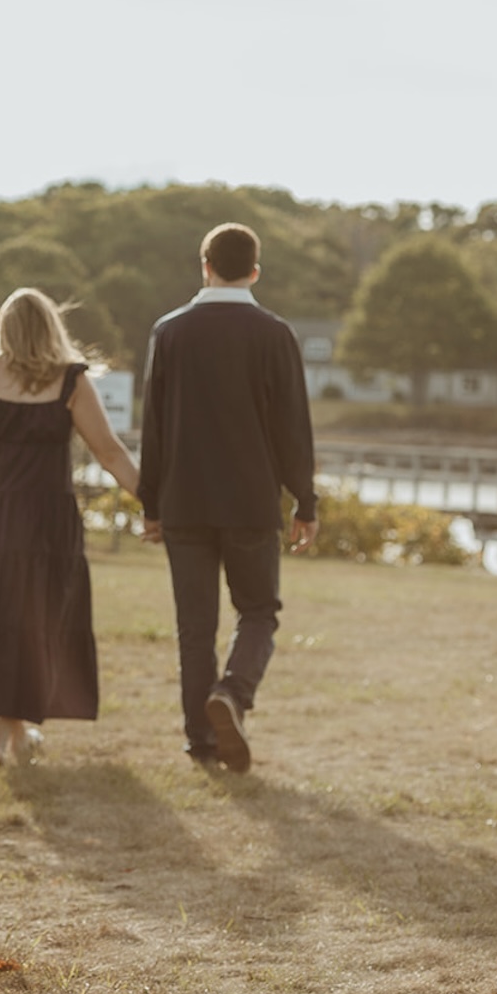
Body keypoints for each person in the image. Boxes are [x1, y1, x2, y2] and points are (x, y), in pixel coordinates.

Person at [0, 287, 140, 764]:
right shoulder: (71, 380)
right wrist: (155, 504)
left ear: (5, 328)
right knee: (35, 622)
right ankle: (8, 737)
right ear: (52, 327)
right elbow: (110, 451)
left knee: (4, 621)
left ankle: (8, 737)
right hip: (47, 519)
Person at [138, 222, 318, 773]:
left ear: (204, 266)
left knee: (195, 627)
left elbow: (155, 426)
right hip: (250, 502)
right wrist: (305, 501)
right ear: (255, 271)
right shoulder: (274, 333)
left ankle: (202, 741)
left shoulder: (169, 332)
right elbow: (293, 427)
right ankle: (233, 695)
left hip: (185, 502)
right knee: (258, 611)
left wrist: (150, 503)